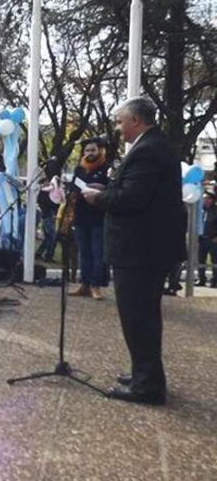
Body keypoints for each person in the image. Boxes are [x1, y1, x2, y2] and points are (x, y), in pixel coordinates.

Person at [81, 97, 185, 405]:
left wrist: (97, 199)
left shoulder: (148, 151)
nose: (117, 128)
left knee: (138, 317)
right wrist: (107, 191)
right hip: (146, 249)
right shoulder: (152, 146)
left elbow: (132, 199)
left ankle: (147, 387)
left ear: (135, 121)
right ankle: (145, 373)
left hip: (141, 250)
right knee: (144, 315)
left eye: (119, 121)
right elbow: (133, 192)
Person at [70, 137, 111, 300]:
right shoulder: (80, 169)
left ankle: (96, 285)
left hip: (98, 216)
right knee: (84, 252)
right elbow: (73, 187)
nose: (90, 153)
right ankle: (84, 284)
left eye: (93, 150)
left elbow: (112, 189)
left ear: (100, 151)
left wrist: (100, 188)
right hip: (81, 215)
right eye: (87, 150)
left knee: (97, 252)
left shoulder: (107, 168)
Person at [197, 191, 216, 287]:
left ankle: (215, 281)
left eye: (208, 199)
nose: (206, 200)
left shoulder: (215, 210)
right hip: (202, 238)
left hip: (213, 239)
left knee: (215, 260)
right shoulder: (201, 210)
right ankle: (201, 280)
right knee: (201, 260)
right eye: (205, 199)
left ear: (212, 200)